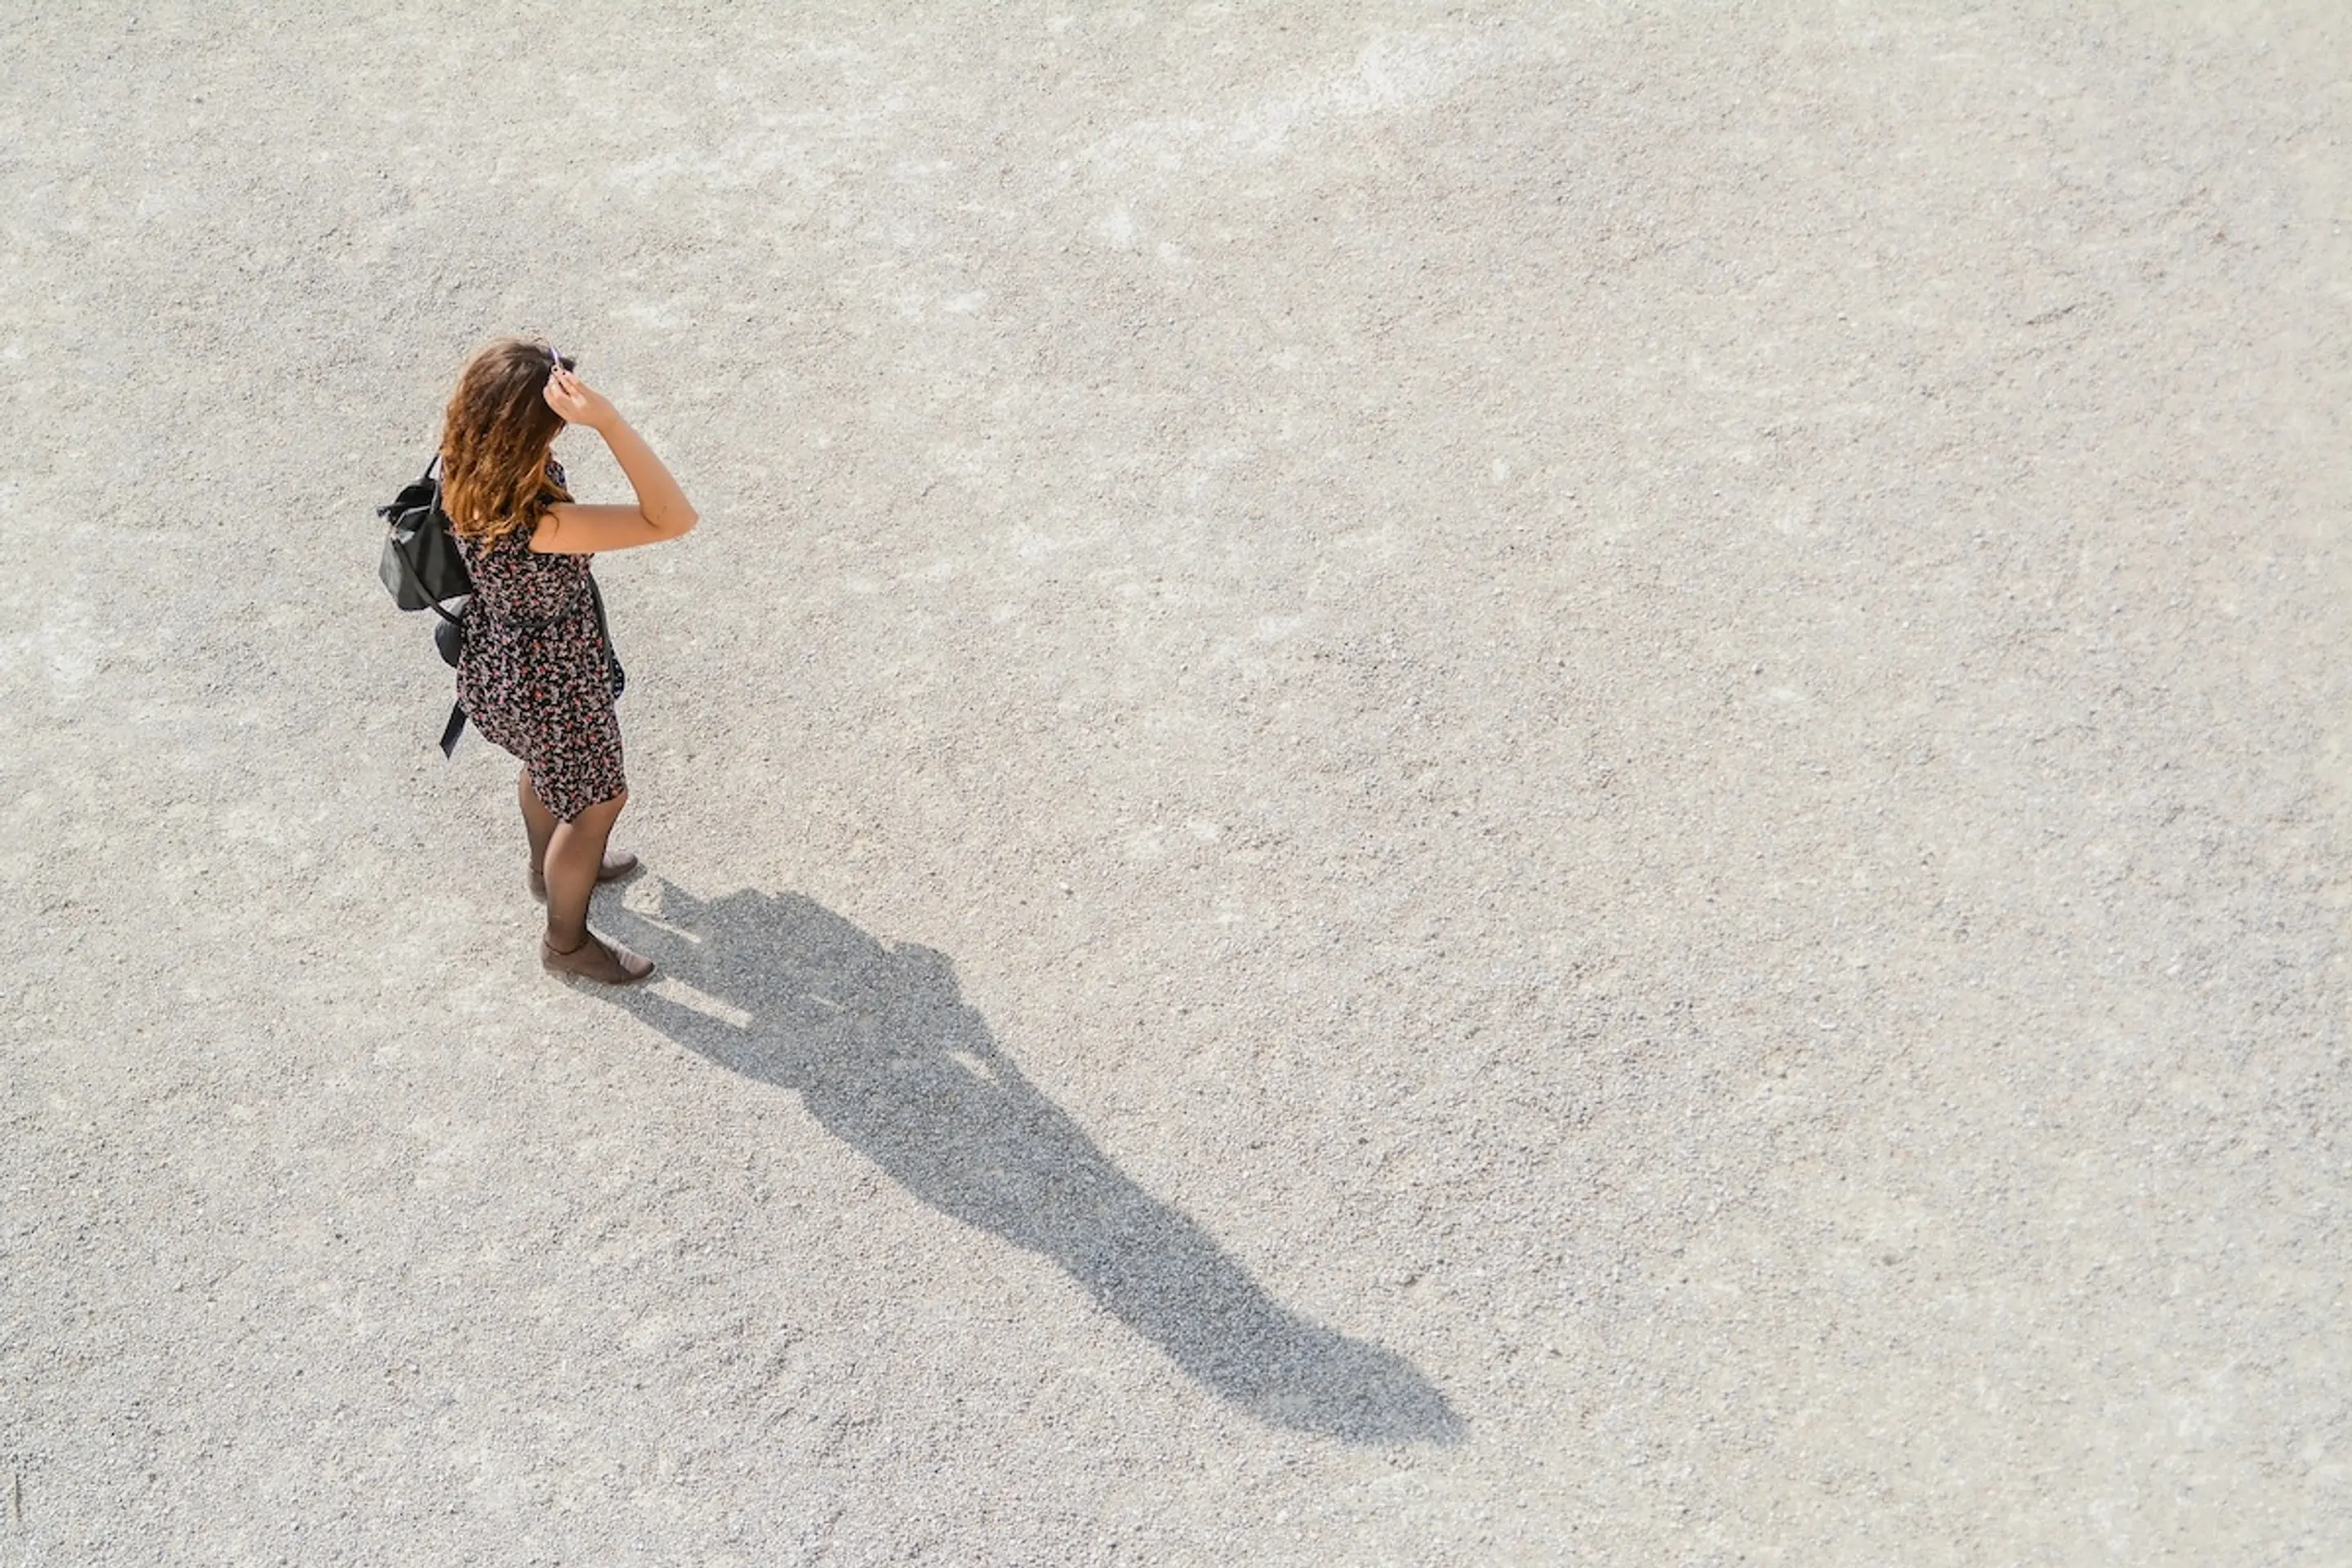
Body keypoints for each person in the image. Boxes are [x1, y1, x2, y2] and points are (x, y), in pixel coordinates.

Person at [438, 336, 698, 984]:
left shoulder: (464, 461)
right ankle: (565, 944)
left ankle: (547, 870)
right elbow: (672, 518)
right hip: (552, 682)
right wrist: (606, 421)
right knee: (598, 802)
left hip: (499, 664)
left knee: (548, 773)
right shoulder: (540, 523)